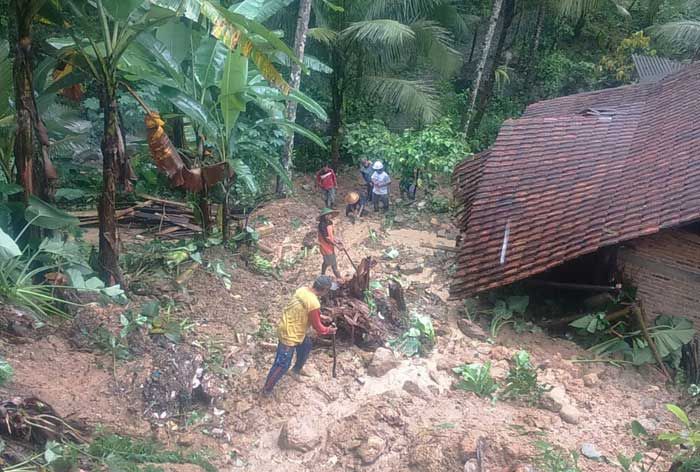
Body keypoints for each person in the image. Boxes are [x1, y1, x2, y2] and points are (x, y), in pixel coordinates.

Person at [261, 275, 337, 396]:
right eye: (327, 290)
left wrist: (321, 316)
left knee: (306, 345)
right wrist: (330, 330)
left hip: (290, 327)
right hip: (290, 334)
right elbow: (319, 329)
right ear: (324, 290)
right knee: (282, 365)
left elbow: (304, 309)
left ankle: (296, 369)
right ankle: (266, 390)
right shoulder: (314, 302)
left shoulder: (303, 290)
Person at [318, 207, 342, 278]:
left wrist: (336, 240)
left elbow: (331, 235)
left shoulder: (330, 222)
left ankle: (322, 274)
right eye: (328, 215)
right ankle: (339, 278)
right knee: (333, 263)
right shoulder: (322, 225)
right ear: (324, 216)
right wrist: (336, 245)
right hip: (325, 245)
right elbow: (327, 238)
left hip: (330, 245)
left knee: (327, 261)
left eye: (330, 214)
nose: (329, 216)